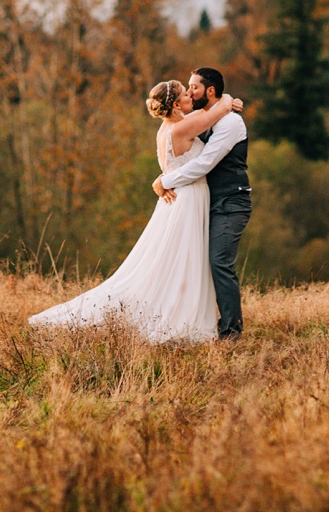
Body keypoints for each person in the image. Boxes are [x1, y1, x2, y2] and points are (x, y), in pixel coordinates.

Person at [27, 79, 236, 344]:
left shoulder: (167, 128)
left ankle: (180, 309)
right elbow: (218, 110)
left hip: (178, 197)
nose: (190, 97)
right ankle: (181, 319)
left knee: (175, 260)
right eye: (185, 94)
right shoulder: (182, 128)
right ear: (175, 105)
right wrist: (228, 99)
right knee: (185, 258)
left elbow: (202, 114)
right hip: (188, 197)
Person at [152, 67, 251, 341]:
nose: (189, 91)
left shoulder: (230, 123)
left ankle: (231, 332)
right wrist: (163, 179)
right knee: (192, 262)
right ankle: (189, 320)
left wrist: (167, 179)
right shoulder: (201, 118)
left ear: (209, 91)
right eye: (186, 88)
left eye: (193, 87)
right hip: (203, 202)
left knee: (219, 262)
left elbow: (205, 163)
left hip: (231, 201)